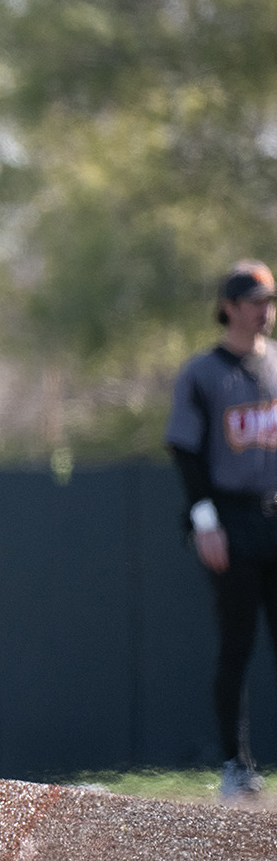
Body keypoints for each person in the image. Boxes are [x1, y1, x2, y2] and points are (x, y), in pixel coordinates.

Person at [165, 259, 277, 805]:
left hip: (274, 511)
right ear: (229, 306)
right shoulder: (203, 373)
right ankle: (236, 763)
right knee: (237, 643)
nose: (265, 310)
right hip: (230, 517)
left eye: (269, 299)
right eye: (255, 300)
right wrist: (205, 522)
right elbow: (185, 451)